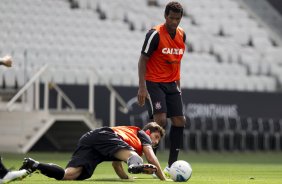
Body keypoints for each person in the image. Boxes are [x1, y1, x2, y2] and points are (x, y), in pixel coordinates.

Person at [19, 122, 167, 181]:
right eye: (156, 137)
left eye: (158, 141)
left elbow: (116, 165)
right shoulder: (143, 135)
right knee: (134, 157)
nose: (155, 142)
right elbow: (151, 158)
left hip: (90, 139)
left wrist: (127, 178)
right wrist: (164, 179)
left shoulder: (126, 141)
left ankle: (35, 165)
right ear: (149, 132)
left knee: (69, 175)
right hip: (106, 136)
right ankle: (135, 165)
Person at [137, 1, 186, 169]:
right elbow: (143, 60)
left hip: (172, 84)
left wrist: (178, 86)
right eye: (171, 18)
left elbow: (177, 62)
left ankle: (172, 164)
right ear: (165, 16)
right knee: (161, 121)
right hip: (154, 82)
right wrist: (142, 87)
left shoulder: (182, 35)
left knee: (180, 121)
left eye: (177, 19)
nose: (174, 22)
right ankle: (151, 163)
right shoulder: (155, 34)